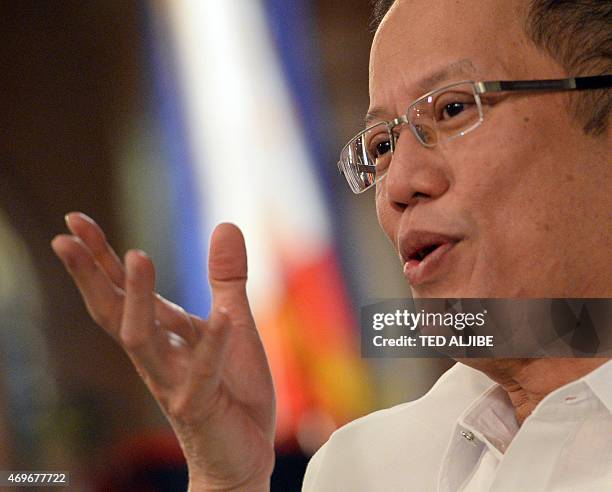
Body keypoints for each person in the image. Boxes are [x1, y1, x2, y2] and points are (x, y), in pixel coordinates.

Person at [51, 0, 611, 490]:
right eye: (382, 143)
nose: (398, 184)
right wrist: (229, 481)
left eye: (453, 108)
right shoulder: (359, 469)